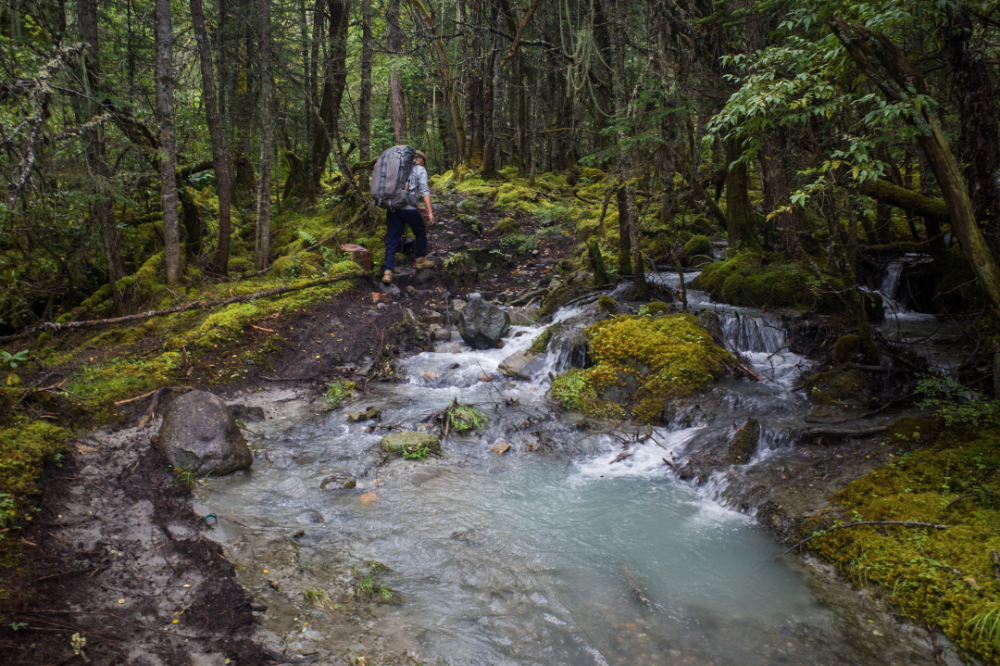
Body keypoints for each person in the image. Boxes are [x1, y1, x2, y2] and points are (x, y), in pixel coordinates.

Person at [382, 150, 435, 284]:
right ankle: (420, 261)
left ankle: (388, 271)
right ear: (421, 159)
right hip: (409, 210)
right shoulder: (420, 169)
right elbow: (424, 190)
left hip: (393, 208)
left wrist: (417, 207)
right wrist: (430, 211)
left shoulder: (397, 168)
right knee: (421, 231)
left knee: (392, 238)